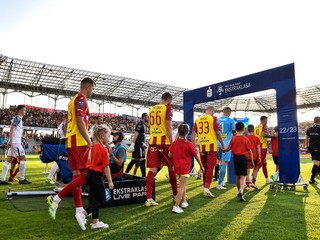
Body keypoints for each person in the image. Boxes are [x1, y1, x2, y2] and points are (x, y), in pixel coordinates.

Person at [47, 77, 95, 220]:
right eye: (92, 88)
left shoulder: (72, 100)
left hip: (70, 141)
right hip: (78, 142)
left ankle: (78, 210)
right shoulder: (81, 99)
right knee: (85, 176)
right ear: (87, 87)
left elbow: (69, 124)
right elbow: (80, 122)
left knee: (76, 176)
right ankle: (56, 198)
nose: (92, 91)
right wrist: (89, 140)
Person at [75, 125, 114, 230]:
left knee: (93, 199)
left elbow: (85, 158)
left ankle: (95, 222)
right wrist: (110, 181)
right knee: (102, 200)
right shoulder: (102, 149)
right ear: (102, 136)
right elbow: (106, 167)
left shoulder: (91, 148)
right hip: (96, 176)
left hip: (90, 175)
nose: (108, 138)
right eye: (107, 136)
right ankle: (83, 214)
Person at [145, 92, 178, 206]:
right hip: (165, 142)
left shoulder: (151, 109)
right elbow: (168, 127)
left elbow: (151, 126)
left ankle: (149, 198)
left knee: (152, 170)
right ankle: (175, 195)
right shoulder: (168, 108)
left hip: (153, 142)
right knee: (171, 167)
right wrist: (173, 144)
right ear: (169, 100)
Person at [169, 123, 204, 214]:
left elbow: (169, 154)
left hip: (177, 167)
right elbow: (196, 156)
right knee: (181, 187)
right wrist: (201, 165)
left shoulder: (174, 144)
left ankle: (184, 201)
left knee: (182, 185)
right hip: (184, 167)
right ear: (187, 132)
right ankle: (176, 206)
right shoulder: (189, 144)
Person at [191, 106, 224, 197]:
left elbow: (193, 133)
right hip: (211, 146)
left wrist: (192, 145)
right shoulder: (213, 118)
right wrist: (222, 144)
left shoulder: (198, 120)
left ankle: (205, 187)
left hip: (201, 146)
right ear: (212, 111)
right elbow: (217, 132)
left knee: (204, 167)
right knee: (210, 167)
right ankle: (206, 188)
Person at [0, 105, 32, 185]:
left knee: (8, 161)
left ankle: (2, 179)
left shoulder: (17, 118)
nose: (25, 111)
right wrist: (10, 141)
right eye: (24, 110)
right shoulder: (18, 118)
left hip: (15, 142)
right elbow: (12, 129)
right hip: (15, 143)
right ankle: (22, 179)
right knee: (23, 160)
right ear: (20, 110)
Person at [224, 122, 254, 201]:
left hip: (235, 158)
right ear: (243, 129)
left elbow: (228, 149)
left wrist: (223, 150)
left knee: (237, 176)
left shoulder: (233, 138)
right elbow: (250, 151)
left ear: (236, 129)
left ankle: (239, 191)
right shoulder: (245, 138)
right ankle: (241, 191)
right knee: (243, 176)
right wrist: (252, 161)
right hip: (243, 158)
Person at [216, 107, 236, 189]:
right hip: (226, 144)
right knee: (224, 163)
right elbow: (234, 132)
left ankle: (222, 180)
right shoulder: (231, 120)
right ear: (229, 113)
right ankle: (219, 184)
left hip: (218, 144)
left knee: (220, 162)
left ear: (223, 112)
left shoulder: (217, 120)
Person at [126, 113, 149, 177]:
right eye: (147, 117)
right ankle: (144, 176)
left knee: (134, 159)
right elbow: (136, 133)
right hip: (139, 144)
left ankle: (125, 173)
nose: (148, 118)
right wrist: (133, 143)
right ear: (144, 117)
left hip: (139, 143)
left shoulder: (143, 124)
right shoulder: (140, 124)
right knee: (142, 159)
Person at [46, 115, 67, 184]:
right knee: (60, 161)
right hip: (64, 142)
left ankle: (55, 178)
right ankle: (50, 178)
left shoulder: (61, 124)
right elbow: (66, 134)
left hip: (62, 141)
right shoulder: (64, 124)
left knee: (60, 161)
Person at [254, 116, 273, 184]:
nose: (266, 122)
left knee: (264, 163)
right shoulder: (264, 126)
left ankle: (267, 178)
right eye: (266, 121)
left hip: (257, 146)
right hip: (262, 146)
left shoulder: (256, 128)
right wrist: (273, 136)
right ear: (263, 120)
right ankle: (252, 178)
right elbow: (264, 135)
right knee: (261, 162)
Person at [245, 124, 261, 190]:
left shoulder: (245, 138)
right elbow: (258, 148)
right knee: (256, 169)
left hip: (247, 156)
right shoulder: (256, 138)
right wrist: (259, 156)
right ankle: (254, 183)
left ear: (247, 130)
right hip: (255, 156)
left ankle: (247, 185)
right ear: (253, 130)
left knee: (247, 171)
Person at [305, 116, 320, 184]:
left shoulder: (309, 129)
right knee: (316, 162)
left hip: (311, 147)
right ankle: (312, 179)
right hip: (317, 147)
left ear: (314, 121)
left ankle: (317, 172)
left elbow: (306, 138)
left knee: (317, 161)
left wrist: (306, 146)